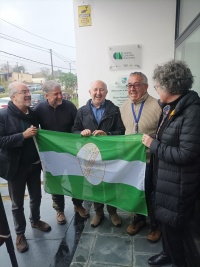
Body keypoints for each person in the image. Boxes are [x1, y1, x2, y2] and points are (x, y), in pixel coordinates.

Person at [142, 60, 200, 267]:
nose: (156, 89)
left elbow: (186, 154)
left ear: (169, 86)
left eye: (157, 85)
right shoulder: (171, 107)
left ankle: (179, 261)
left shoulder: (192, 112)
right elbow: (170, 138)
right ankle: (168, 253)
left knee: (175, 225)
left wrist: (154, 144)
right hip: (166, 177)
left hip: (180, 182)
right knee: (166, 222)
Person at [0, 82, 51, 253]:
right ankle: (20, 233)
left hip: (34, 165)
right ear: (14, 97)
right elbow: (1, 141)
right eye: (24, 92)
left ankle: (35, 221)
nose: (28, 94)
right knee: (17, 204)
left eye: (28, 91)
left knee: (36, 196)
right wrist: (22, 136)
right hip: (15, 168)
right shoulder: (3, 116)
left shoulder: (33, 114)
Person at [34, 80, 89, 225]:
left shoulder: (70, 106)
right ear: (46, 95)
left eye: (60, 93)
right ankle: (59, 210)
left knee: (75, 180)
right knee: (55, 181)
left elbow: (77, 126)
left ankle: (78, 205)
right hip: (51, 154)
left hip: (71, 152)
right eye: (56, 94)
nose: (60, 96)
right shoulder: (39, 109)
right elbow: (34, 129)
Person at [72, 80, 125, 227]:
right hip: (91, 156)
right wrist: (81, 132)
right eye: (95, 90)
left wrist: (107, 134)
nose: (98, 93)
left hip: (109, 155)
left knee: (110, 183)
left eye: (101, 90)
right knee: (95, 184)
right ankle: (99, 212)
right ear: (90, 92)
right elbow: (74, 130)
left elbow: (121, 131)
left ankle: (113, 212)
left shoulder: (114, 109)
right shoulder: (82, 111)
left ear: (106, 93)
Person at [120, 72, 161, 242]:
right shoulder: (123, 107)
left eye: (136, 85)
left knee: (151, 193)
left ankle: (156, 225)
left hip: (151, 160)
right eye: (129, 85)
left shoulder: (158, 106)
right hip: (132, 161)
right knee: (135, 191)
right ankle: (139, 219)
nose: (132, 88)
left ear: (145, 86)